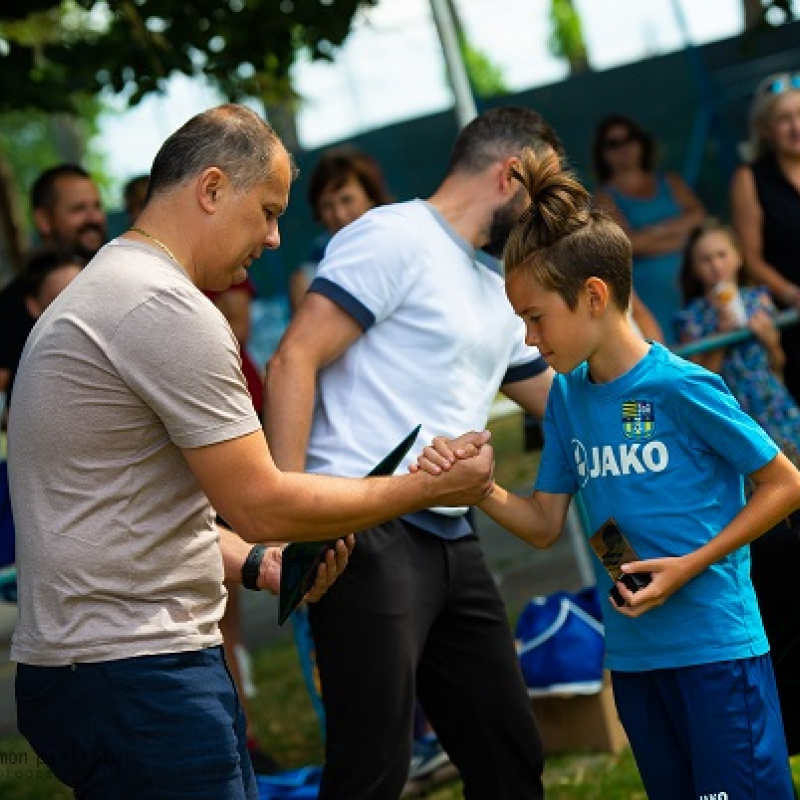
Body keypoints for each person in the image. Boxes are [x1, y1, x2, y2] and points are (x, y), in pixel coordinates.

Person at [8, 104, 494, 800]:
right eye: (266, 211)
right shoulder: (163, 308)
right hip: (138, 671)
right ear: (210, 189)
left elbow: (137, 511)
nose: (272, 238)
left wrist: (262, 565)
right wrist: (424, 489)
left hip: (102, 668)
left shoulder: (116, 286)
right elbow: (261, 503)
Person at [416, 149, 800, 800]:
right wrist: (479, 489)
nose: (530, 340)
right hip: (636, 665)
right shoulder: (569, 397)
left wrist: (690, 564)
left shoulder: (681, 388)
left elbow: (785, 483)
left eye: (536, 317)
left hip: (716, 653)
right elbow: (546, 522)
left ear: (593, 296)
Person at [265, 106, 557, 800]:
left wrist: (661, 397)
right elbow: (293, 360)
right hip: (364, 533)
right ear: (509, 172)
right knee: (372, 771)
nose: (548, 205)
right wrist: (285, 518)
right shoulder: (392, 233)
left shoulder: (496, 287)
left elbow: (570, 399)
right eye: (542, 185)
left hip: (454, 536)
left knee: (510, 753)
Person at [0, 164, 106, 412]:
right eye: (78, 209)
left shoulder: (128, 276)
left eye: (97, 206)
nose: (93, 218)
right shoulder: (11, 304)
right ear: (43, 220)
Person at [591, 114, 705, 343]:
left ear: (642, 141)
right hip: (651, 298)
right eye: (614, 143)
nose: (624, 148)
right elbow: (625, 245)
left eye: (630, 138)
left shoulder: (670, 181)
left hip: (699, 284)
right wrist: (683, 238)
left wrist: (651, 232)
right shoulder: (602, 197)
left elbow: (698, 218)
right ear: (602, 154)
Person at [730, 71, 800, 405]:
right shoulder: (750, 179)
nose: (796, 127)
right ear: (766, 129)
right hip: (790, 319)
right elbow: (750, 259)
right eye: (784, 119)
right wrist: (792, 294)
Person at [288, 146, 393, 315]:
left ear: (371, 197)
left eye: (347, 199)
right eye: (327, 206)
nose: (339, 214)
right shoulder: (307, 281)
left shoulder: (402, 251)